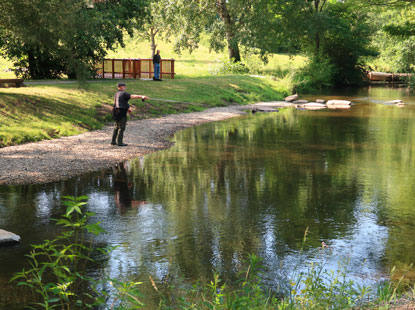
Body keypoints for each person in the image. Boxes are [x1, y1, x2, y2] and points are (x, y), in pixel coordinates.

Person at [111, 82, 149, 146]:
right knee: (121, 128)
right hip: (121, 112)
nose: (125, 87)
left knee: (116, 127)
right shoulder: (124, 93)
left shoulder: (117, 94)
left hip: (116, 111)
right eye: (124, 86)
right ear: (121, 87)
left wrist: (128, 107)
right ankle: (120, 142)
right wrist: (142, 96)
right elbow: (133, 96)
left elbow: (120, 102)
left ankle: (113, 141)